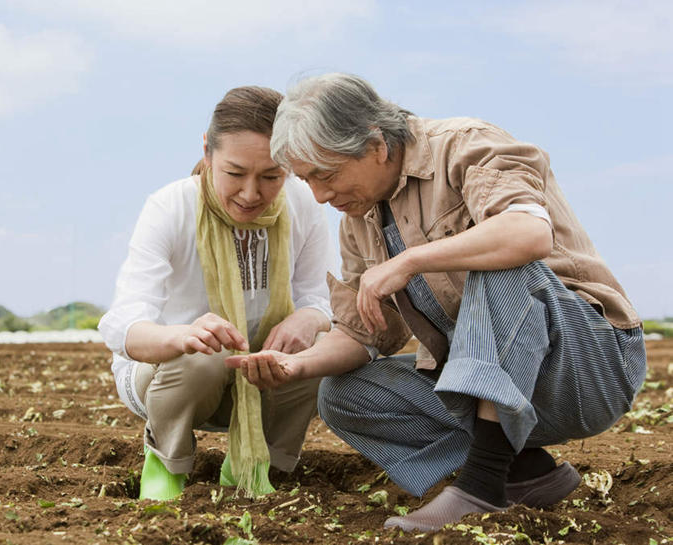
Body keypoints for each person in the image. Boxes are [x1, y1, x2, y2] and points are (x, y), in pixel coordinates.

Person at [227, 73, 646, 531]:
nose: (321, 196)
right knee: (343, 395)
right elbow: (365, 332)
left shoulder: (466, 146)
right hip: (503, 392)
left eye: (326, 175)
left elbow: (528, 233)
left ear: (376, 145)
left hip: (586, 367)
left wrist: (410, 261)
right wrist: (296, 366)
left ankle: (481, 486)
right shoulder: (358, 218)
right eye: (307, 180)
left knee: (501, 262)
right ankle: (528, 474)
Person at [99, 86, 334, 501]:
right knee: (204, 355)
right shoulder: (171, 206)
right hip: (174, 380)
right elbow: (123, 324)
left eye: (271, 177)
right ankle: (165, 465)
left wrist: (309, 318)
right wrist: (181, 336)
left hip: (259, 374)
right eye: (235, 173)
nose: (251, 194)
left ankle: (257, 466)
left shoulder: (303, 205)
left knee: (323, 351)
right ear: (207, 152)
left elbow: (320, 297)